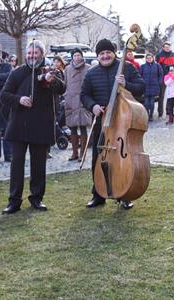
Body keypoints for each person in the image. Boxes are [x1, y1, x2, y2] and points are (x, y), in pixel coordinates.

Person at [0, 40, 65, 214]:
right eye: (29, 53)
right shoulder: (17, 73)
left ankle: (36, 198)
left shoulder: (51, 71)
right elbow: (4, 95)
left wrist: (51, 81)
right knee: (17, 164)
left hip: (41, 123)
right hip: (19, 124)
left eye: (35, 53)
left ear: (42, 55)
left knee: (38, 165)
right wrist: (19, 100)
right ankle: (14, 201)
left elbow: (62, 88)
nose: (31, 56)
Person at [81, 38, 145, 210]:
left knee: (123, 162)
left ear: (114, 53)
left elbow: (141, 87)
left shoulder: (127, 68)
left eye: (108, 52)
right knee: (97, 159)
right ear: (98, 56)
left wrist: (127, 84)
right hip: (103, 125)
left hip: (124, 124)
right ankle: (98, 194)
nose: (105, 55)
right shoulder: (91, 73)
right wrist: (92, 106)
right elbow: (84, 95)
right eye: (101, 53)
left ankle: (124, 195)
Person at [63, 48, 91, 161]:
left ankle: (82, 154)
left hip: (83, 100)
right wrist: (66, 95)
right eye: (75, 55)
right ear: (72, 57)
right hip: (71, 100)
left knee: (83, 127)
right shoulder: (67, 69)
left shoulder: (88, 68)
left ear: (82, 56)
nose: (77, 57)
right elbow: (65, 84)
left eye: (79, 55)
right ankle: (74, 153)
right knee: (72, 128)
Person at [156, 42, 174, 118]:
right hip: (163, 77)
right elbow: (156, 66)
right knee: (161, 96)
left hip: (171, 77)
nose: (167, 48)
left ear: (170, 47)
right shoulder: (159, 55)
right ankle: (160, 112)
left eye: (168, 47)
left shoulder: (173, 55)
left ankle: (168, 111)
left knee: (170, 95)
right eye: (165, 47)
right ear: (163, 47)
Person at [139, 53, 163, 121]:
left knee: (152, 103)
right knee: (146, 103)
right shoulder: (143, 66)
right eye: (148, 58)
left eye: (150, 58)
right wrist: (141, 83)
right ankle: (146, 114)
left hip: (154, 87)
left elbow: (161, 75)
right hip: (145, 87)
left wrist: (159, 83)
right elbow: (139, 76)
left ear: (153, 58)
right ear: (146, 59)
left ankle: (151, 115)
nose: (149, 59)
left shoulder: (157, 66)